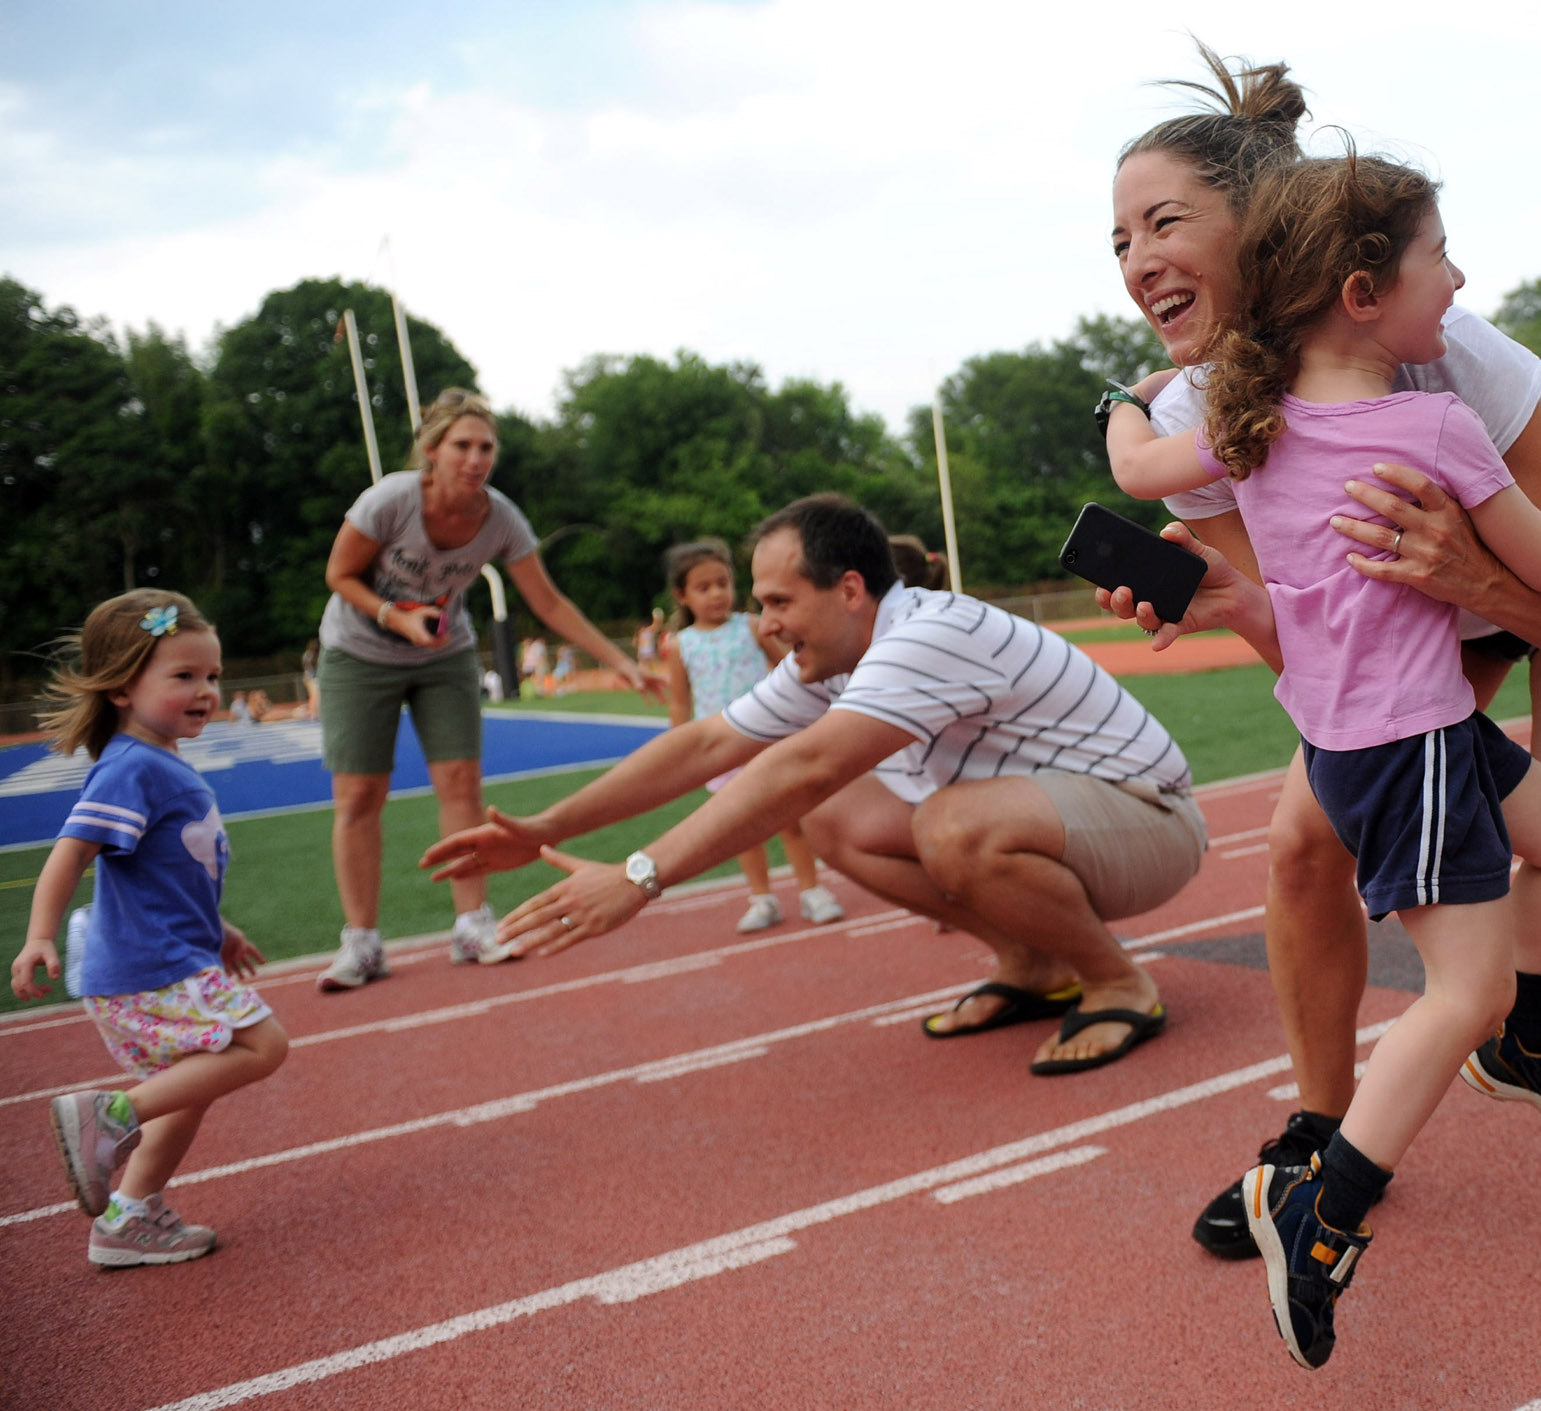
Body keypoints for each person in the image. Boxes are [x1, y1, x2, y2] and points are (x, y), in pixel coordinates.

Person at [1103, 45, 1541, 1264]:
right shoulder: (1195, 418)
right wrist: (1230, 598)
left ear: (1270, 225)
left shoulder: (1446, 356)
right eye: (1117, 242)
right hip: (1433, 608)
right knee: (1296, 839)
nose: (1136, 263)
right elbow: (1316, 652)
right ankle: (1323, 1138)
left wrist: (1474, 577)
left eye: (1163, 224)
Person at [1106, 150, 1541, 1368]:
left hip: (1348, 746)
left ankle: (1533, 1042)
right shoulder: (1432, 421)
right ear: (1363, 290)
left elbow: (1133, 469)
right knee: (1458, 990)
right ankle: (1322, 1209)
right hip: (1413, 743)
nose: (1460, 279)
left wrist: (1121, 401)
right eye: (1441, 256)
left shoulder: (1245, 425)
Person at [422, 493, 1208, 1073]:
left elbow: (802, 766)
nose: (763, 623)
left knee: (948, 825)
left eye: (777, 602)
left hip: (1150, 823)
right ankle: (1033, 963)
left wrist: (639, 876)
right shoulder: (835, 656)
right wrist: (547, 828)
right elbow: (706, 744)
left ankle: (1118, 982)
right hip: (1062, 820)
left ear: (852, 590)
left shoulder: (927, 634)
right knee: (838, 820)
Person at [314, 387, 653, 992]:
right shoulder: (390, 500)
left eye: (486, 448)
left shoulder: (500, 517)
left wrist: (619, 661)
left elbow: (547, 601)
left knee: (462, 783)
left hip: (444, 654)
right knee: (360, 794)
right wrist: (396, 617)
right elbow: (338, 574)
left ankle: (473, 925)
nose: (475, 459)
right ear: (433, 451)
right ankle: (361, 942)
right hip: (359, 652)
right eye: (462, 446)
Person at [10, 589, 289, 1266]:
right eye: (184, 676)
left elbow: (169, 873)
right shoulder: (131, 767)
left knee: (194, 1087)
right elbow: (71, 852)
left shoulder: (159, 762)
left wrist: (217, 928)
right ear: (122, 689)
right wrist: (39, 935)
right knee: (263, 1046)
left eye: (213, 677)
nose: (206, 691)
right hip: (152, 965)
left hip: (167, 955)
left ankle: (127, 1218)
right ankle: (109, 1117)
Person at [660, 537, 845, 933]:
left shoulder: (750, 626)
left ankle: (812, 890)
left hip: (768, 739)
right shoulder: (680, 645)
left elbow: (789, 667)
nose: (716, 594)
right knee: (741, 828)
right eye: (704, 587)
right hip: (721, 752)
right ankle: (762, 899)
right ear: (682, 595)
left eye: (722, 583)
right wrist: (683, 752)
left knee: (790, 819)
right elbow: (680, 702)